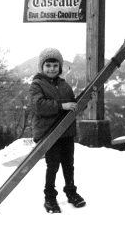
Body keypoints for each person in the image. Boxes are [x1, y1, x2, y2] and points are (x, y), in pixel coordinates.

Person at [29, 48, 86, 213]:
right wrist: (61, 106)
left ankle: (71, 193)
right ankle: (50, 197)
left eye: (55, 65)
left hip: (66, 132)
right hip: (49, 132)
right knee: (52, 165)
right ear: (42, 67)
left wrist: (83, 102)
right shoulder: (37, 84)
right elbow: (38, 106)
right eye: (48, 65)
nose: (52, 68)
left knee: (69, 164)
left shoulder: (64, 85)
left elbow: (72, 105)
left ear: (60, 67)